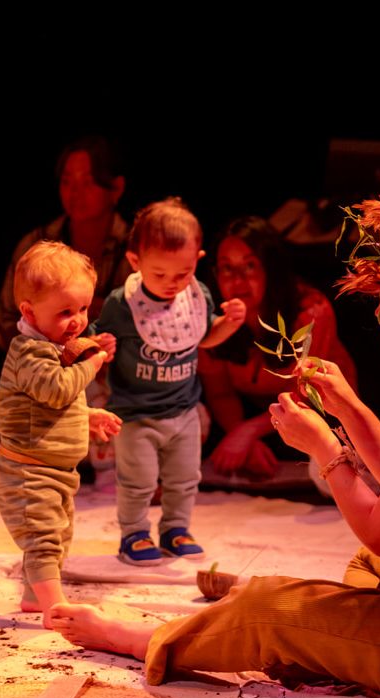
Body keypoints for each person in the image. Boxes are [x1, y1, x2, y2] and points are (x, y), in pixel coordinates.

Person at [49, 191, 380, 698]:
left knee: (272, 607)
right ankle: (301, 627)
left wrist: (325, 449)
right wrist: (348, 408)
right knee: (370, 569)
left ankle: (144, 640)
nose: (379, 323)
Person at [94, 198, 246, 565]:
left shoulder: (196, 295)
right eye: (159, 274)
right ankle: (134, 533)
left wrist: (228, 324)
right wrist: (100, 347)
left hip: (183, 409)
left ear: (197, 259)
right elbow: (96, 339)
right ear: (135, 262)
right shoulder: (121, 304)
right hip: (136, 413)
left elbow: (202, 336)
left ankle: (176, 528)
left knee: (184, 477)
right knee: (139, 480)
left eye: (183, 273)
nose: (171, 284)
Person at [0, 241, 122, 628]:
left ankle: (36, 597)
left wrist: (88, 416)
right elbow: (57, 390)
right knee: (44, 538)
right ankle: (57, 609)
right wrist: (95, 361)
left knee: (61, 533)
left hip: (55, 471)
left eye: (83, 309)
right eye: (65, 312)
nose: (78, 320)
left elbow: (52, 408)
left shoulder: (52, 349)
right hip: (27, 474)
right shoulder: (30, 351)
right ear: (29, 312)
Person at [200, 216, 357, 478]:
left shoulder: (309, 311)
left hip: (322, 415)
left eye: (249, 266)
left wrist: (247, 432)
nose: (237, 280)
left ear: (270, 268)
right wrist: (241, 436)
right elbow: (219, 394)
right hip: (255, 419)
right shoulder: (211, 319)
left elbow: (306, 394)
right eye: (227, 268)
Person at [0, 135, 131, 351]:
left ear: (116, 188)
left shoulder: (135, 249)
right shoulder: (36, 244)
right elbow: (5, 324)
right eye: (67, 181)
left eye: (87, 182)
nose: (75, 193)